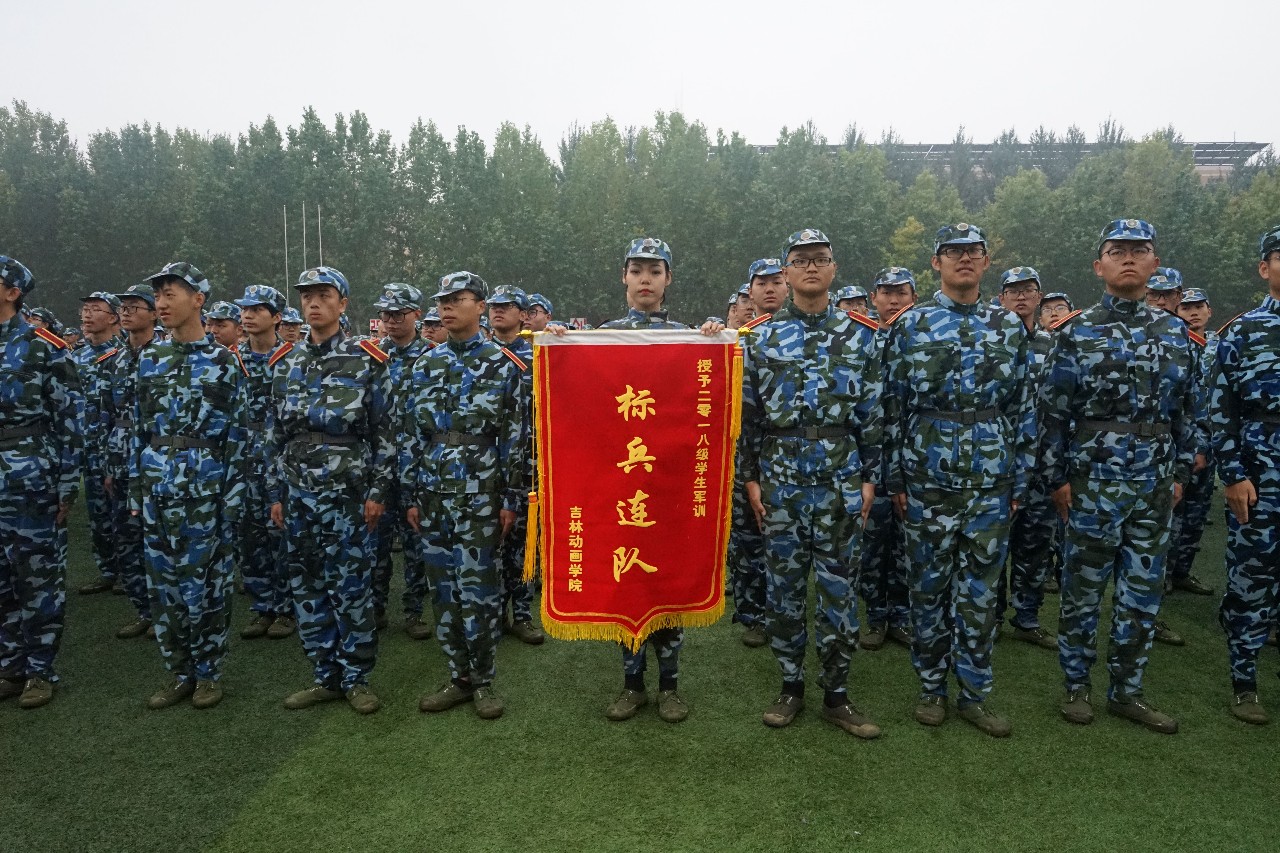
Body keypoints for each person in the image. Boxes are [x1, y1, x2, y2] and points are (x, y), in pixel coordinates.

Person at [1041, 219, 1196, 735]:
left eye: (1139, 250)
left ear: (1154, 263)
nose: (1128, 258)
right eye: (1117, 251)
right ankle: (1076, 685)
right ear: (1099, 266)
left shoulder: (1175, 332)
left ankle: (1128, 691)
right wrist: (1058, 479)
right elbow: (1053, 415)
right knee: (1083, 588)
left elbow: (1188, 413)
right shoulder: (1076, 332)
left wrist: (1179, 472)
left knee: (1142, 592)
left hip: (1154, 485)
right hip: (1093, 483)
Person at [883, 224, 1034, 738]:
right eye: (953, 252)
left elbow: (1024, 408)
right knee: (927, 588)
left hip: (991, 480)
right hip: (927, 479)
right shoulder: (911, 324)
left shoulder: (1008, 326)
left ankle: (974, 693)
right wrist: (895, 478)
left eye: (973, 252)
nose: (963, 259)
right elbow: (892, 406)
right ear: (936, 263)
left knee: (980, 594)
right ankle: (930, 688)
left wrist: (1020, 480)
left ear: (986, 262)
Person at [740, 229, 883, 740]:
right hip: (781, 479)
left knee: (839, 591)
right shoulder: (760, 337)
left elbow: (873, 414)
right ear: (786, 273)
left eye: (820, 259)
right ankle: (790, 686)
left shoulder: (862, 336)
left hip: (840, 477)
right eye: (800, 261)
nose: (811, 268)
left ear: (833, 268)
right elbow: (748, 417)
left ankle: (837, 695)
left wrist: (870, 477)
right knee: (783, 590)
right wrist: (750, 478)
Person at [268, 266, 393, 716]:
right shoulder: (285, 362)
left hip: (348, 494)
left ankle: (356, 678)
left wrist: (378, 491)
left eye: (323, 295)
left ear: (343, 304)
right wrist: (276, 494)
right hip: (298, 492)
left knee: (351, 586)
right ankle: (325, 676)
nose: (313, 303)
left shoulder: (367, 359)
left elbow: (386, 434)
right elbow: (274, 435)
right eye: (307, 296)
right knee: (307, 585)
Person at [402, 271, 527, 720]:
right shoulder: (425, 365)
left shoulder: (503, 365)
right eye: (443, 300)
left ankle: (483, 680)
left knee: (479, 590)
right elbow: (411, 434)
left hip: (481, 493)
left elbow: (514, 438)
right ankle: (457, 677)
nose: (447, 307)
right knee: (443, 590)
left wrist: (511, 498)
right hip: (433, 492)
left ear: (480, 306)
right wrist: (411, 494)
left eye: (458, 299)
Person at [131, 262, 248, 710]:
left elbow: (238, 436)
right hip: (158, 488)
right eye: (158, 295)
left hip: (205, 491)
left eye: (171, 294)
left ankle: (208, 673)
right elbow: (141, 429)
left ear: (198, 300)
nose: (161, 303)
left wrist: (232, 501)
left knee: (208, 587)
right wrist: (138, 489)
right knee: (165, 587)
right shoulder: (150, 359)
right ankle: (179, 672)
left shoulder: (224, 362)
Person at [0, 255, 83, 709]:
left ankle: (39, 670)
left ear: (13, 292)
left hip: (30, 476)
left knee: (36, 577)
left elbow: (70, 419)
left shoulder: (42, 346)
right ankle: (10, 666)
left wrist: (66, 485)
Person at [1212, 225, 1280, 725]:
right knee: (1252, 577)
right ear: (1264, 268)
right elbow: (1221, 410)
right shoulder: (1242, 331)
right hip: (1261, 473)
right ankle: (1245, 681)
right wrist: (1233, 474)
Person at [992, 266, 1058, 649]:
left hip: (1044, 462)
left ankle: (1028, 617)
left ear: (1039, 297)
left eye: (1028, 290)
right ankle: (992, 616)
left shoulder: (1053, 345)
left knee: (1035, 543)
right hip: (1000, 459)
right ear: (1001, 298)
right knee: (993, 544)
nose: (1020, 296)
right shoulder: (991, 343)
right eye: (1013, 290)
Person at [727, 260, 785, 650]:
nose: (769, 289)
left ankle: (781, 613)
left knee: (781, 541)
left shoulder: (803, 333)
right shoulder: (737, 340)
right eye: (761, 284)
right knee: (747, 539)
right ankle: (752, 614)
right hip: (742, 455)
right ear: (750, 292)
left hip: (785, 457)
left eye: (775, 282)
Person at [233, 285, 296, 641]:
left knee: (281, 535)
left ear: (276, 317)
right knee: (250, 536)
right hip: (243, 457)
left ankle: (286, 608)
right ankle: (262, 607)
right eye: (245, 309)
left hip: (281, 457)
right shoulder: (231, 359)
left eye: (257, 309)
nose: (248, 315)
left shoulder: (292, 359)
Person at [370, 283, 432, 641]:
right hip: (378, 465)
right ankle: (376, 608)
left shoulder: (432, 357)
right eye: (386, 314)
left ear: (415, 315)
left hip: (417, 466)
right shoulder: (371, 356)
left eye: (398, 314)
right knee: (375, 543)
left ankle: (413, 611)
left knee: (415, 543)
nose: (391, 320)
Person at [859, 267, 916, 651]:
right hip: (872, 460)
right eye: (886, 293)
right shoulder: (862, 339)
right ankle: (876, 616)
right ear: (874, 298)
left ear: (914, 297)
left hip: (914, 456)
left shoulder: (924, 339)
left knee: (906, 542)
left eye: (901, 293)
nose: (893, 300)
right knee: (872, 542)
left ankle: (901, 616)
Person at [100, 283, 159, 640]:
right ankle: (144, 610)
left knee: (158, 540)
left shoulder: (165, 356)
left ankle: (166, 613)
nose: (126, 312)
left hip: (155, 460)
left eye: (135, 307)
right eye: (123, 307)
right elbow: (108, 414)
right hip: (120, 458)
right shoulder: (116, 360)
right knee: (126, 539)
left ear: (154, 313)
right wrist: (109, 465)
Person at [487, 284, 545, 646]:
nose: (498, 311)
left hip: (528, 464)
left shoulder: (539, 355)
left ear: (524, 315)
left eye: (507, 306)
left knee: (523, 543)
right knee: (490, 542)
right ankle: (494, 614)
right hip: (486, 463)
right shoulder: (480, 355)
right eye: (494, 305)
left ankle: (521, 614)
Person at [1167, 286, 1216, 597]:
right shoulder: (1173, 344)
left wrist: (1207, 446)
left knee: (1197, 514)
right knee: (1173, 514)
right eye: (1186, 307)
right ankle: (1164, 574)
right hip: (1179, 445)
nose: (1193, 312)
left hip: (1211, 443)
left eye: (1199, 306)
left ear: (1209, 310)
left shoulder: (1221, 347)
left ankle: (1183, 571)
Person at [73, 290, 123, 596]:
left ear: (114, 317)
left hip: (115, 447)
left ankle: (128, 571)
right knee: (97, 514)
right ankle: (107, 569)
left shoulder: (122, 356)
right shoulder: (75, 357)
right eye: (85, 309)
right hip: (87, 448)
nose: (87, 314)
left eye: (96, 309)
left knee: (121, 513)